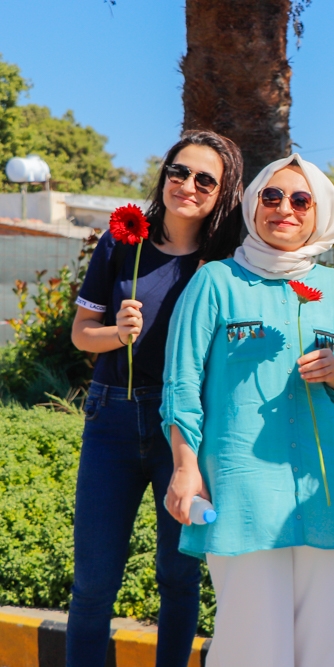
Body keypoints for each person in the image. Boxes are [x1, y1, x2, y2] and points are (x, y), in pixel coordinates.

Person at [162, 154, 334, 667]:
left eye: (301, 200)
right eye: (270, 197)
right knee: (253, 644)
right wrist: (185, 470)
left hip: (323, 487)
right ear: (253, 205)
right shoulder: (216, 282)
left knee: (326, 644)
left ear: (319, 211)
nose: (285, 210)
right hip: (244, 487)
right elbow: (182, 381)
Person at [68, 130, 243, 667]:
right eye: (178, 171)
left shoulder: (226, 260)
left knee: (179, 575)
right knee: (94, 583)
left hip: (186, 428)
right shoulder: (122, 242)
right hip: (112, 416)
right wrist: (117, 333)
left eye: (204, 179)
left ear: (223, 192)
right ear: (164, 175)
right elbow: (81, 333)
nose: (187, 185)